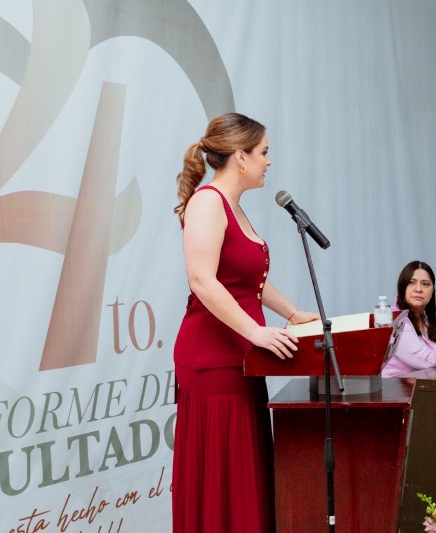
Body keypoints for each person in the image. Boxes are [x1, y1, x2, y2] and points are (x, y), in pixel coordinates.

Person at [171, 112, 319, 532]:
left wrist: (292, 314)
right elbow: (202, 279)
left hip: (244, 359)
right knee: (224, 477)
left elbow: (249, 278)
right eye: (263, 152)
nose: (268, 161)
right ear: (240, 157)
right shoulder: (207, 202)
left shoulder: (233, 207)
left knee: (243, 475)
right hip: (213, 362)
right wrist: (256, 331)